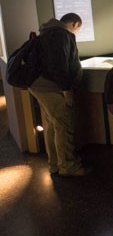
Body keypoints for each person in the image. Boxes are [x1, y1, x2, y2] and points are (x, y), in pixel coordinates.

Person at [29, 12, 90, 177]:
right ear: (75, 24)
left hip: (42, 86)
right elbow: (59, 64)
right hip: (52, 88)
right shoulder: (60, 34)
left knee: (53, 125)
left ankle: (55, 164)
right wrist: (66, 89)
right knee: (63, 125)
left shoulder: (49, 32)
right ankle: (68, 166)